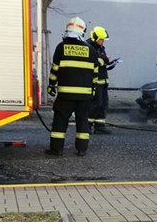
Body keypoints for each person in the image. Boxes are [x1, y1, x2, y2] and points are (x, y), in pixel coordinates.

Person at [46, 17, 98, 157]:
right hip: (84, 96)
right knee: (82, 122)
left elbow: (55, 69)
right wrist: (92, 91)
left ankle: (56, 149)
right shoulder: (92, 51)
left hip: (65, 95)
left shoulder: (61, 47)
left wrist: (51, 85)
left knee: (60, 122)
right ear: (82, 31)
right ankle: (82, 149)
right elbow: (95, 75)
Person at [86, 26, 115, 135]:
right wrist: (106, 61)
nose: (103, 42)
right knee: (94, 105)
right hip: (94, 82)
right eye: (101, 39)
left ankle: (100, 126)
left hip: (103, 81)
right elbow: (95, 62)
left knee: (103, 104)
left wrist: (110, 64)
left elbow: (103, 62)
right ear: (95, 38)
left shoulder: (100, 48)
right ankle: (87, 126)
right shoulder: (88, 47)